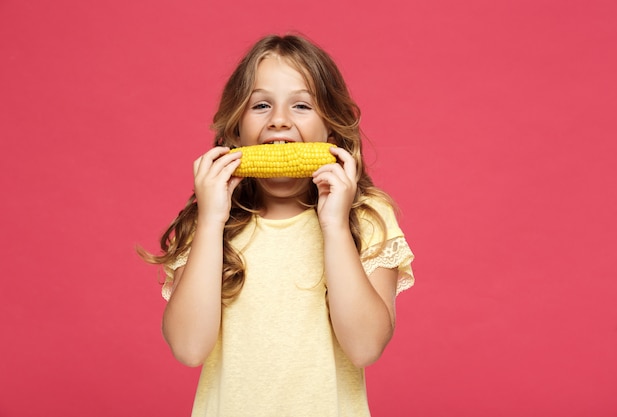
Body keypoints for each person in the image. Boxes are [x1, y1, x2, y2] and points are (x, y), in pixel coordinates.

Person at [141, 33, 415, 417]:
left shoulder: (365, 216)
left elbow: (365, 346)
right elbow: (188, 347)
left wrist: (334, 227)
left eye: (301, 105)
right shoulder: (210, 223)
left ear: (332, 130)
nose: (280, 120)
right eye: (261, 105)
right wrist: (210, 222)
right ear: (236, 130)